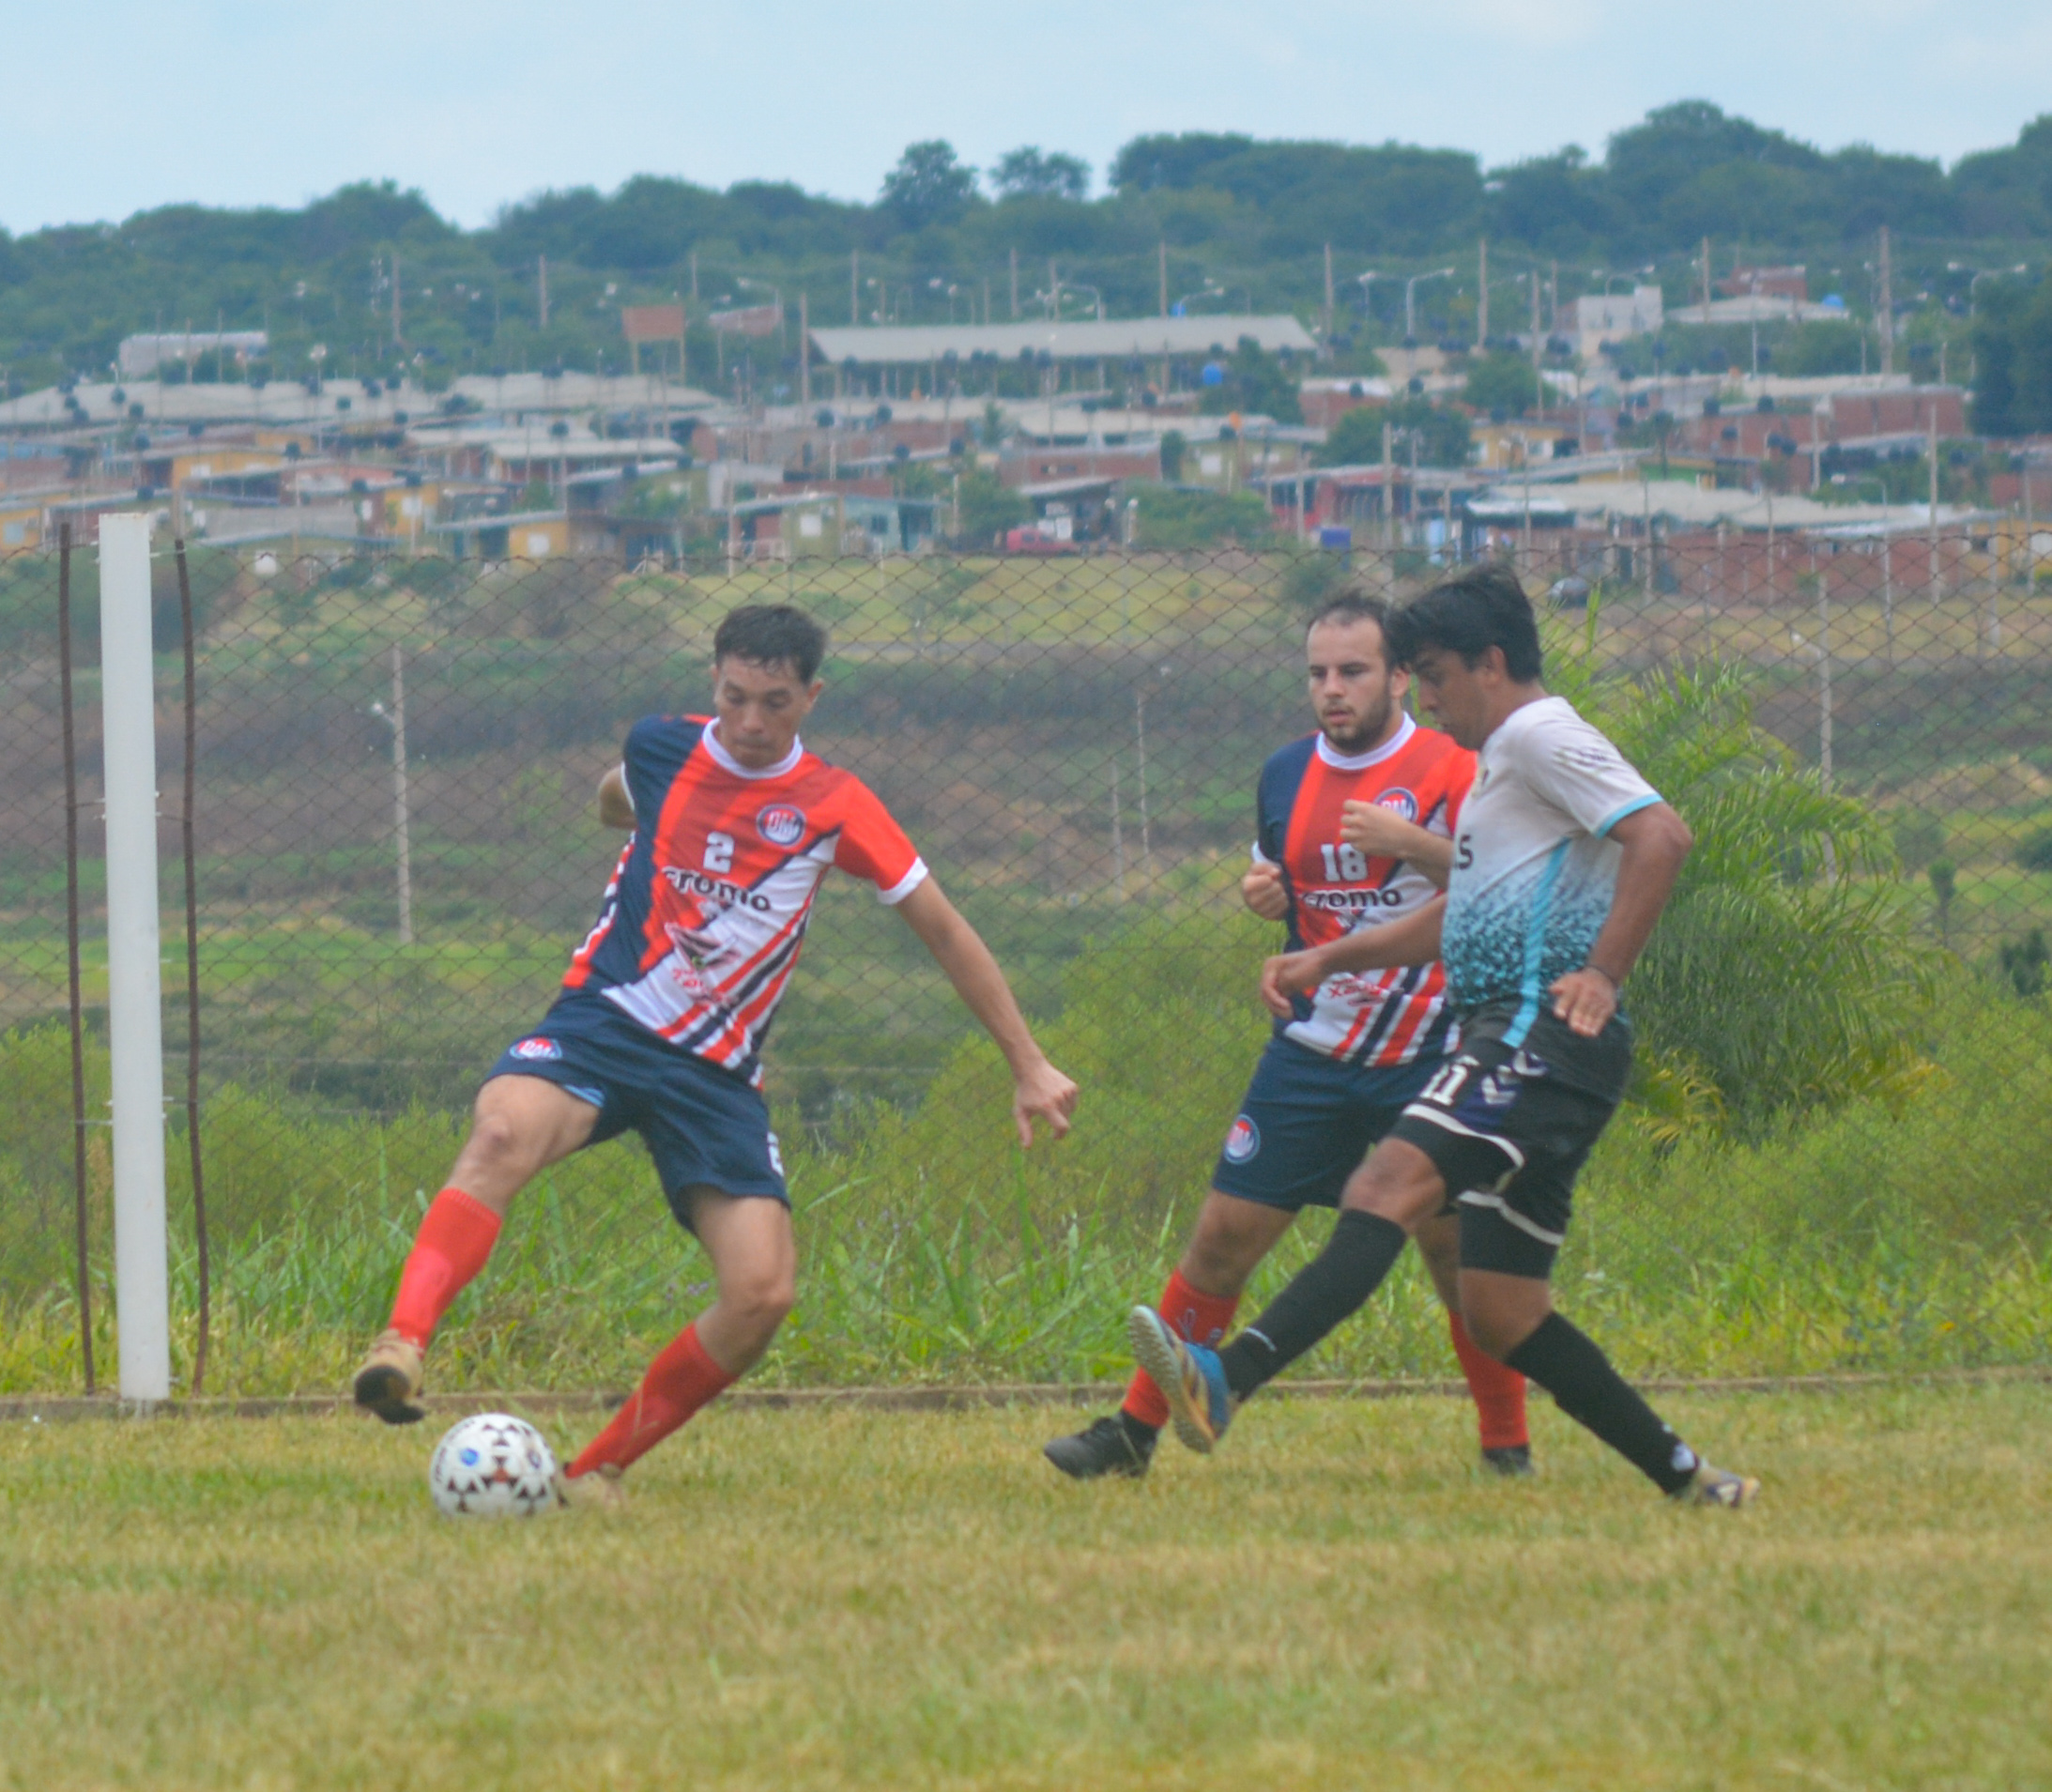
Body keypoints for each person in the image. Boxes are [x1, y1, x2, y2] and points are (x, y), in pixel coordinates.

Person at [353, 604, 1079, 1505]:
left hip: (714, 1072)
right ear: (713, 683)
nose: (750, 722)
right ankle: (402, 1344)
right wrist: (631, 816)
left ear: (812, 697)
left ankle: (595, 1470)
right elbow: (616, 793)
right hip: (605, 1023)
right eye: (734, 697)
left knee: (763, 1291)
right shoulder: (663, 746)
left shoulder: (835, 804)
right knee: (500, 1132)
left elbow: (945, 929)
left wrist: (1027, 1062)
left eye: (775, 703)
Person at [1128, 564, 1758, 1507]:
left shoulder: (1539, 735)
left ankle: (1229, 1377)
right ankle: (1688, 1479)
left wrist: (1601, 972)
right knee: (1503, 1309)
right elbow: (1459, 916)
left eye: (1432, 676)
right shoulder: (1504, 761)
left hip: (1535, 1033)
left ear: (1489, 664)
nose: (1424, 698)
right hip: (1530, 1042)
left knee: (1383, 1186)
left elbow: (1661, 834)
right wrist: (1323, 958)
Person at [1044, 592, 1531, 1482]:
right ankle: (1132, 1435)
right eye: (1318, 673)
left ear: (1400, 678)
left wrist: (1412, 842)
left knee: (1454, 1250)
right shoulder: (1283, 773)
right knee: (1222, 1237)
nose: (1332, 689)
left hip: (1430, 1047)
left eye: (1353, 671)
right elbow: (1288, 884)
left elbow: (1499, 884)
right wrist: (1263, 893)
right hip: (1313, 1050)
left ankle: (1507, 1446)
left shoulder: (1454, 764)